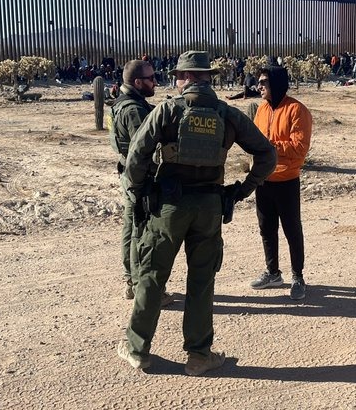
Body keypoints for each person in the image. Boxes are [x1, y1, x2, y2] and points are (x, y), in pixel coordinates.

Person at [117, 50, 276, 375]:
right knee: (201, 281)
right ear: (207, 77)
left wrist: (142, 191)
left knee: (151, 276)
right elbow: (267, 155)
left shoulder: (166, 111)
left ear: (186, 78)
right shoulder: (228, 114)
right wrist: (240, 191)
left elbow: (136, 158)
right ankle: (199, 355)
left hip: (168, 208)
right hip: (209, 207)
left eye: (177, 75)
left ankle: (137, 348)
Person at [250, 64, 313, 300]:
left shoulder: (297, 110)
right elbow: (255, 141)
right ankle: (273, 272)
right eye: (259, 82)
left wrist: (270, 145)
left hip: (287, 180)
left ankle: (298, 276)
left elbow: (299, 148)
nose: (260, 86)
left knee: (292, 230)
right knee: (266, 229)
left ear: (276, 83)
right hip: (263, 180)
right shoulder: (261, 110)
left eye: (264, 82)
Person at [109, 59, 163, 301]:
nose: (155, 82)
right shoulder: (133, 110)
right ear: (138, 82)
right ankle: (143, 288)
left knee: (131, 227)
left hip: (128, 175)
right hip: (139, 178)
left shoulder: (123, 103)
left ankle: (131, 281)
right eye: (151, 78)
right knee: (141, 232)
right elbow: (143, 149)